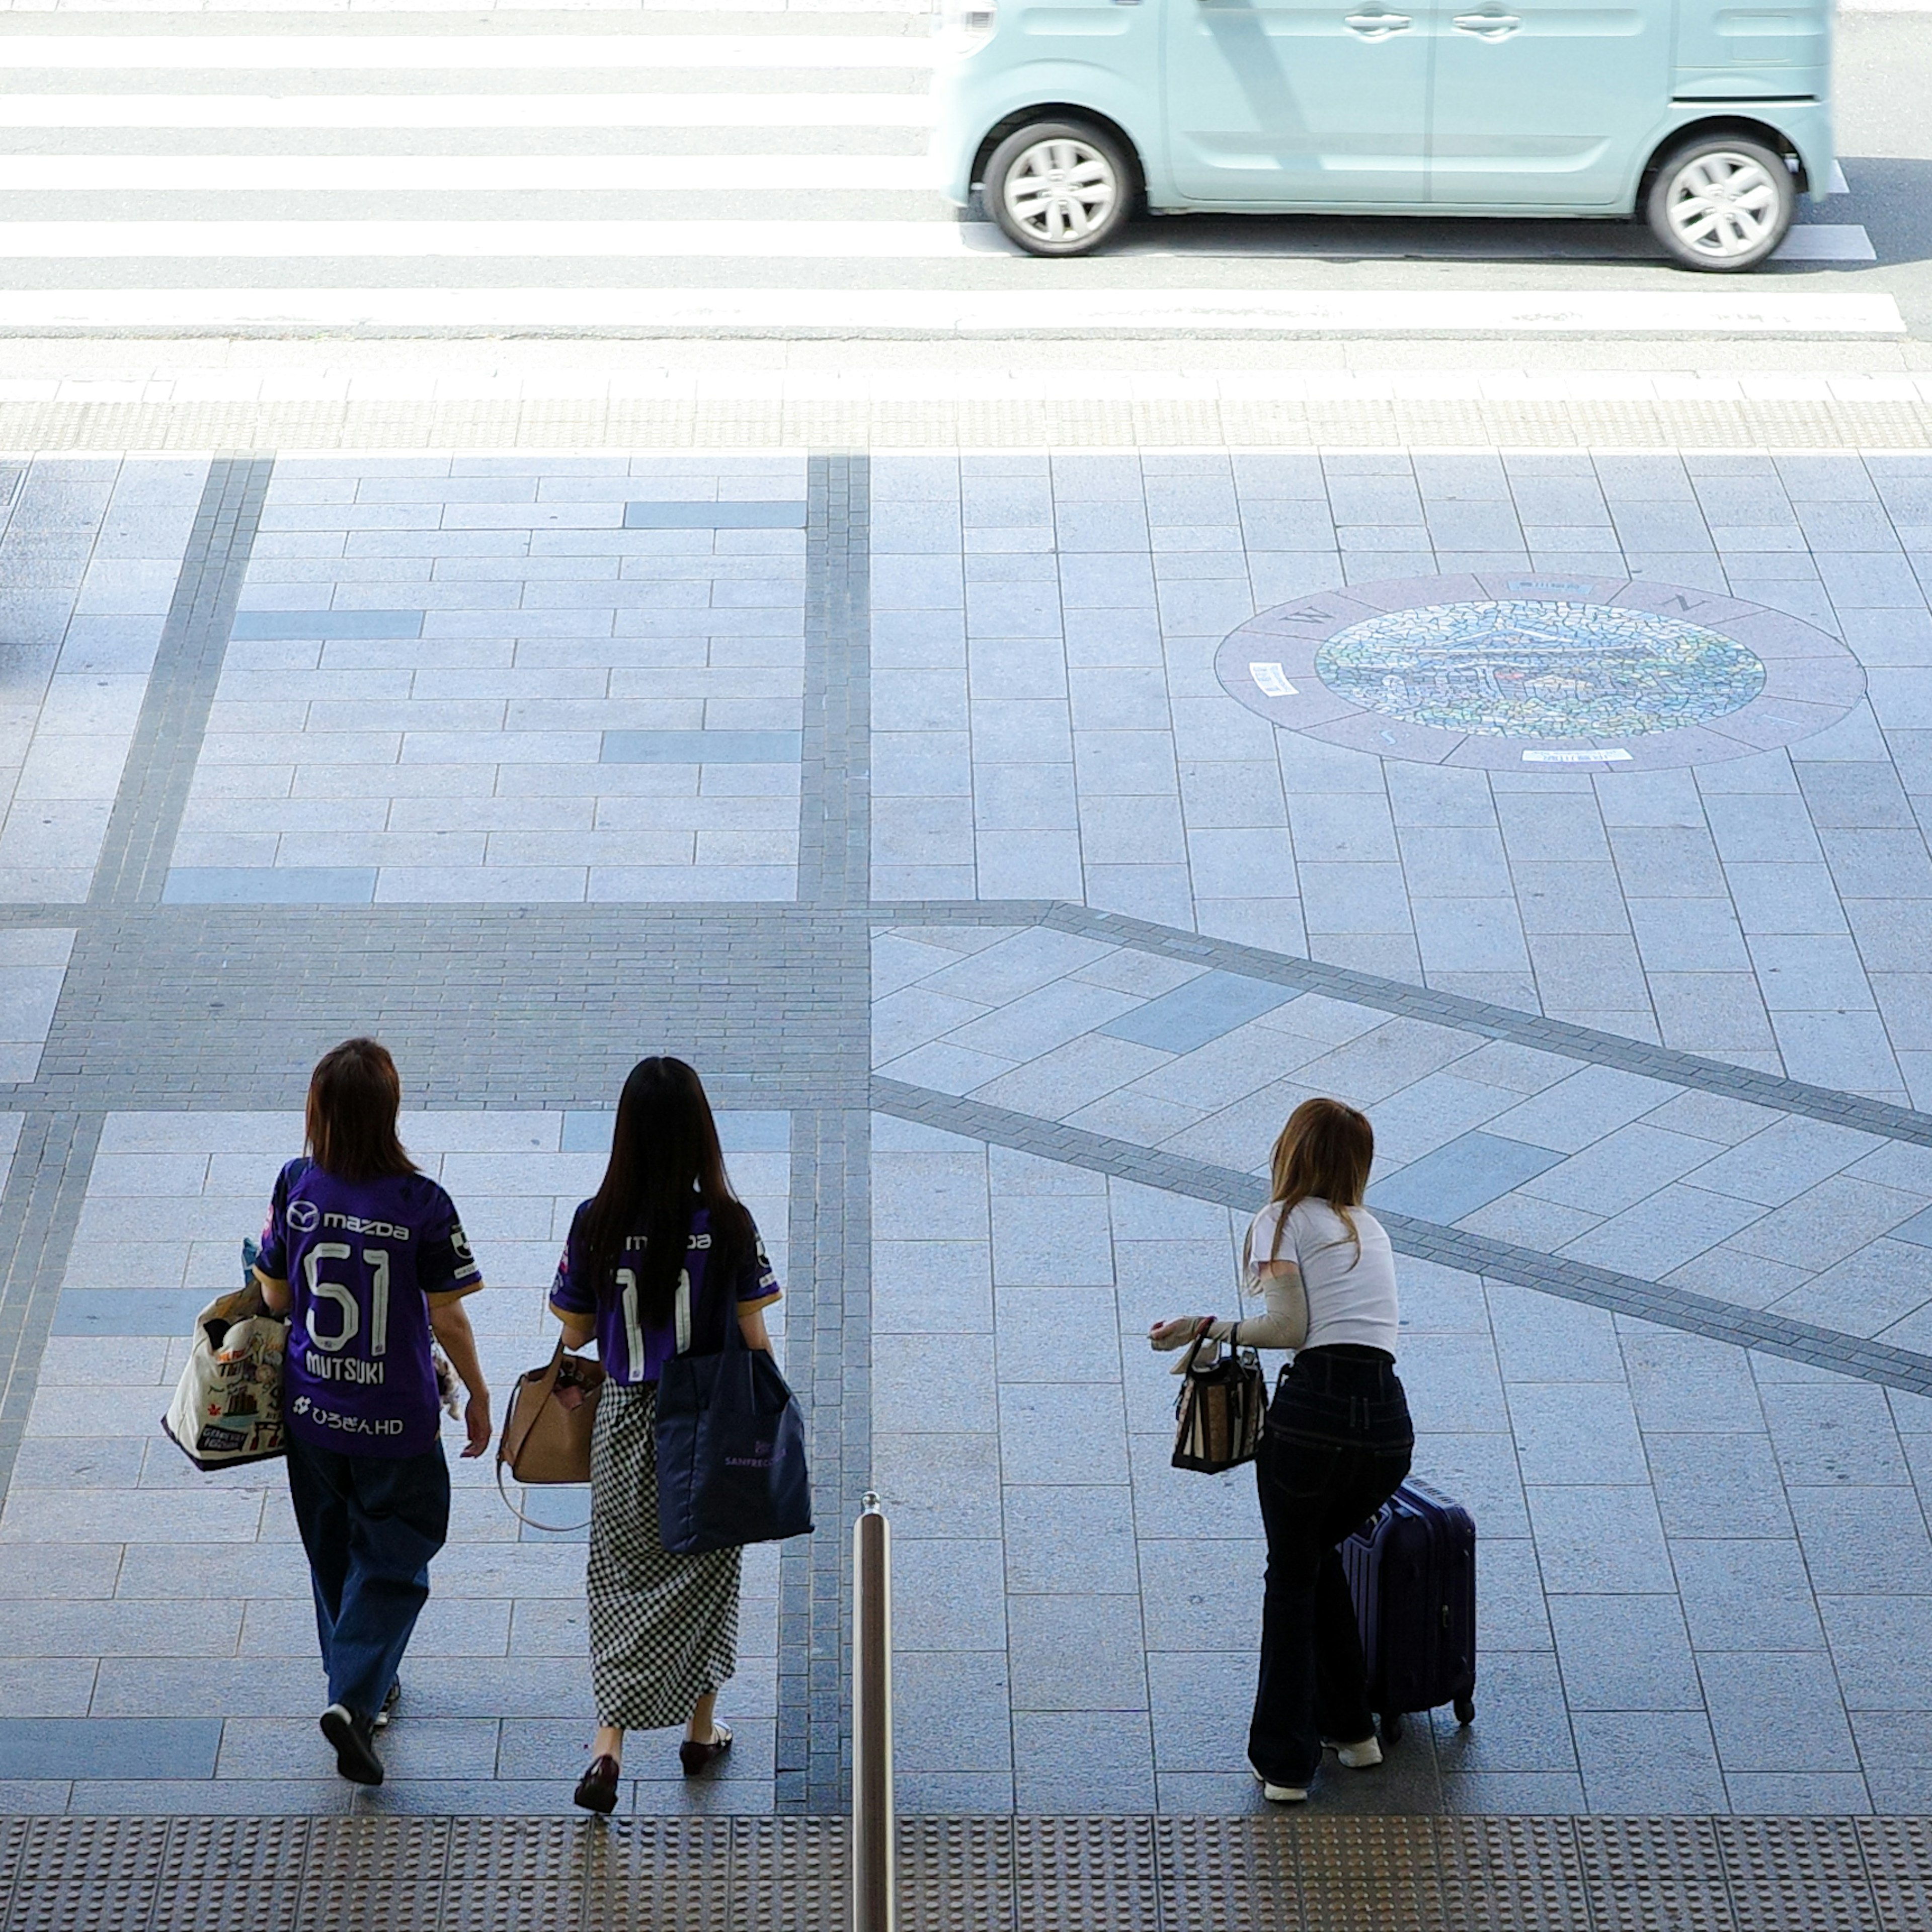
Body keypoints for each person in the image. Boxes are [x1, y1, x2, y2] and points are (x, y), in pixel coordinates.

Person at [1150, 1095, 1413, 1804]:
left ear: (1292, 1150)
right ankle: (1354, 1734)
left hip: (1314, 1417)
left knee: (1290, 1578)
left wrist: (1202, 1327)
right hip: (1388, 1427)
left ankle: (1284, 1763)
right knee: (1316, 1558)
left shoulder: (1282, 1218)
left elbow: (1289, 1326)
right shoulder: (1370, 1226)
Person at [254, 1036, 492, 1788]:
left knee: (332, 1550)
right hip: (397, 1418)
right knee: (400, 1551)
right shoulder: (423, 1203)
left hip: (313, 1411)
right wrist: (479, 1394)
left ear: (319, 1112)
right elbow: (448, 1318)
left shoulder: (297, 1184)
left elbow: (276, 1298)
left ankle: (359, 1687)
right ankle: (355, 1698)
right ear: (391, 1112)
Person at [550, 1055, 782, 1814]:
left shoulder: (597, 1220)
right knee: (709, 1571)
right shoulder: (730, 1223)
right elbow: (756, 1337)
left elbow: (576, 1329)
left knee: (619, 1576)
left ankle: (608, 1748)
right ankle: (701, 1729)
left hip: (624, 1416)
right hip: (709, 1417)